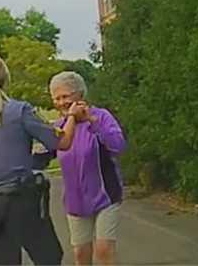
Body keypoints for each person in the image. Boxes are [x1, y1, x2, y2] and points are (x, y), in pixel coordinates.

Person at [0, 55, 87, 266]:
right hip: (20, 201)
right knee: (49, 258)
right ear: (7, 79)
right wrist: (72, 116)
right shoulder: (20, 111)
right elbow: (62, 142)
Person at [50, 71, 127, 265]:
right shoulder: (60, 126)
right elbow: (47, 152)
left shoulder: (101, 116)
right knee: (80, 255)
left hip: (105, 196)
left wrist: (92, 121)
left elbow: (118, 145)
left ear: (80, 95)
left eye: (65, 96)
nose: (61, 102)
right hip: (75, 201)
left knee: (103, 251)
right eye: (56, 98)